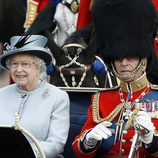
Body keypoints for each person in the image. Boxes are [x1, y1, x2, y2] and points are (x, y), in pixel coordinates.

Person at [72, 0, 158, 157]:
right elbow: (78, 149)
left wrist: (152, 141)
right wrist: (88, 141)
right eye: (118, 58)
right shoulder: (101, 98)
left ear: (143, 60)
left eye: (130, 58)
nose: (123, 63)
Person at [0, 35, 70, 158]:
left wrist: (23, 154)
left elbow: (56, 144)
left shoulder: (58, 97)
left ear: (39, 67)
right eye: (14, 64)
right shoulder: (1, 94)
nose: (18, 69)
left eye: (25, 64)